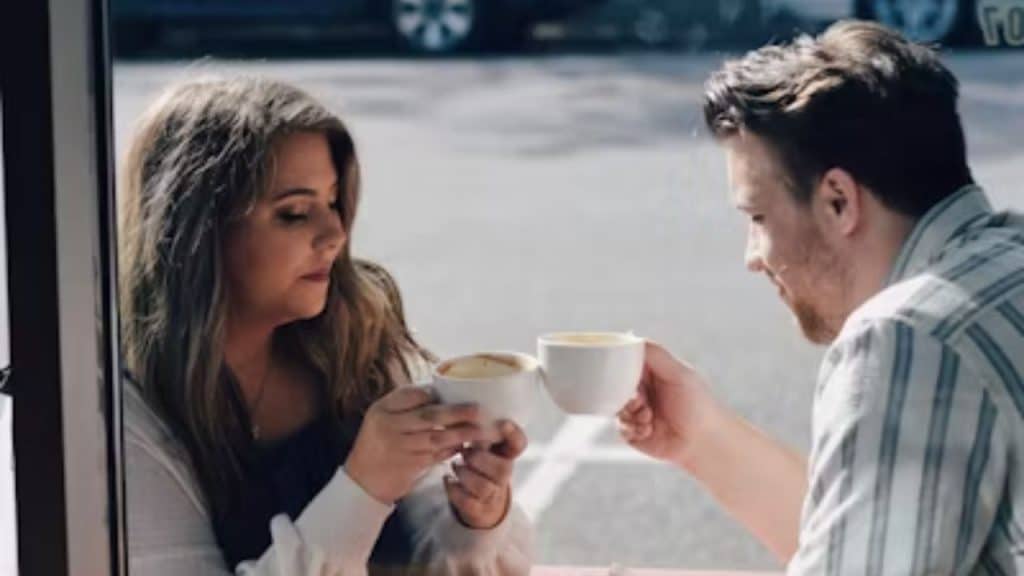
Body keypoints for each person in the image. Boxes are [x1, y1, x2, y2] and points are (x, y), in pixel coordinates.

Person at [618, 20, 1024, 574]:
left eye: (758, 217)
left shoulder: (911, 337)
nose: (752, 256)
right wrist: (703, 437)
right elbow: (870, 541)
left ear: (838, 201)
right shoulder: (1004, 266)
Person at [119, 76, 533, 575]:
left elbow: (432, 553)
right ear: (198, 234)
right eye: (294, 213)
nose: (335, 234)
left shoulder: (354, 338)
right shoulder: (124, 411)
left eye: (334, 203)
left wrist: (475, 520)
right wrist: (362, 489)